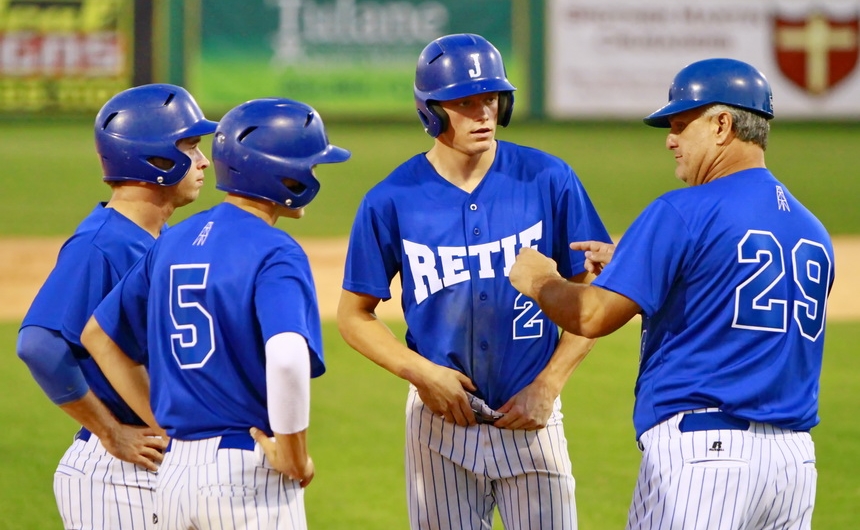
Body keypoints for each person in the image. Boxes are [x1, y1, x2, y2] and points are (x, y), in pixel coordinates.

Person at [509, 58, 834, 530]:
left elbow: (593, 316)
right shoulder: (813, 230)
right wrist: (639, 263)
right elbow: (727, 292)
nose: (670, 139)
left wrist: (540, 281)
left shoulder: (682, 210)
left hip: (705, 457)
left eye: (682, 124)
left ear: (723, 124)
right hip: (793, 466)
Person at [337, 33, 611, 530]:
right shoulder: (392, 199)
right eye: (465, 103)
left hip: (533, 419)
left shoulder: (549, 179)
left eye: (490, 99)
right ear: (432, 111)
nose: (483, 113)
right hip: (437, 424)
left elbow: (591, 299)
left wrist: (549, 386)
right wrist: (420, 372)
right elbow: (354, 315)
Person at [80, 97, 351, 529]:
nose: (315, 174)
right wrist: (295, 455)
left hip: (173, 478)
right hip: (246, 477)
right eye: (310, 165)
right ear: (283, 172)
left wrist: (160, 421)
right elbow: (286, 356)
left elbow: (98, 334)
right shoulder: (276, 251)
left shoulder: (172, 241)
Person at [16, 83, 216, 529]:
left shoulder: (157, 239)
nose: (203, 162)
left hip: (157, 464)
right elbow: (39, 344)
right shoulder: (101, 243)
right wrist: (111, 431)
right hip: (118, 474)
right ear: (157, 159)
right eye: (191, 146)